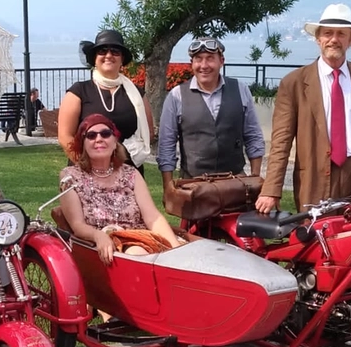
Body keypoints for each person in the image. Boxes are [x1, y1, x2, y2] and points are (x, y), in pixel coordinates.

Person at [256, 4, 351, 213]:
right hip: (314, 178)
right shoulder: (295, 83)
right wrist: (271, 189)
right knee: (316, 238)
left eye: (341, 34)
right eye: (328, 33)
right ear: (318, 38)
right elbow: (281, 140)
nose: (334, 39)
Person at [59, 114, 180, 265]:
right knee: (138, 255)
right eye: (90, 135)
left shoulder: (131, 173)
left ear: (115, 142)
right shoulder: (70, 176)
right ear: (83, 144)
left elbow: (152, 217)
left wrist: (176, 250)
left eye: (105, 133)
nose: (99, 139)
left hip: (140, 239)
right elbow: (77, 225)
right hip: (103, 248)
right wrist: (98, 236)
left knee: (186, 253)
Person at [157, 36, 266, 196]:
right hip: (193, 186)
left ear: (221, 61)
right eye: (198, 59)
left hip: (235, 183)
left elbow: (253, 135)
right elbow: (166, 144)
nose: (204, 65)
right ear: (191, 63)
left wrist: (255, 178)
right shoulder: (176, 96)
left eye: (210, 59)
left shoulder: (241, 90)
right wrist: (168, 186)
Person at [57, 29, 154, 172]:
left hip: (128, 173)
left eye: (115, 51)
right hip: (86, 172)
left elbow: (148, 133)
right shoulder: (78, 92)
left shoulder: (137, 94)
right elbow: (65, 136)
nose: (108, 55)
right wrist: (90, 167)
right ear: (95, 59)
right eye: (102, 51)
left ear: (122, 60)